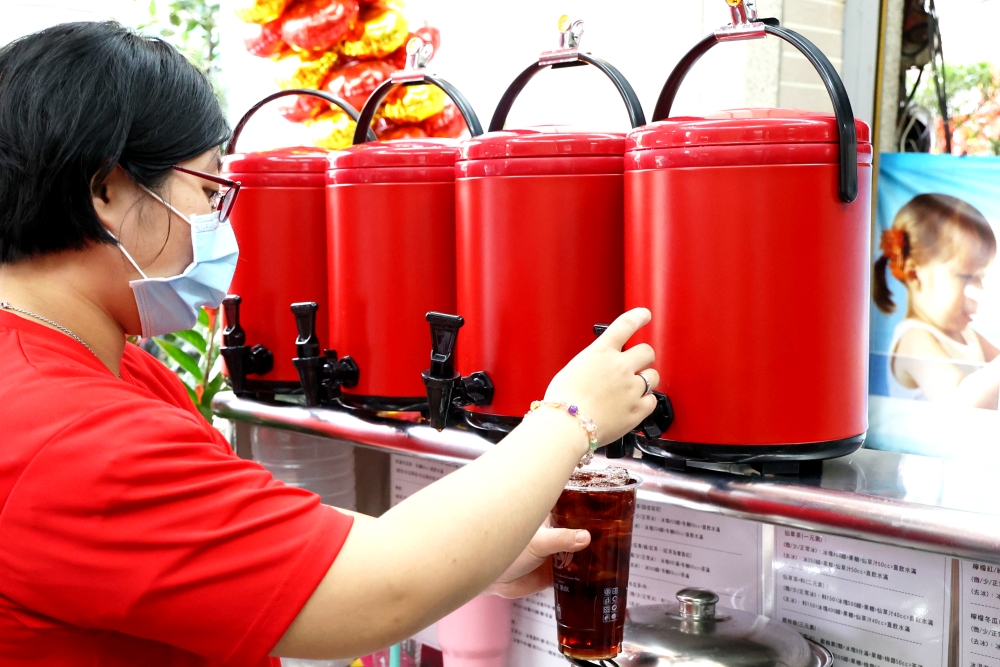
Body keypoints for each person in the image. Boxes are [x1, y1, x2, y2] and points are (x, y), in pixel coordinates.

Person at [0, 22, 660, 667]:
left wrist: (480, 549)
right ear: (107, 190)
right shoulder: (69, 433)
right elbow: (378, 587)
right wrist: (570, 417)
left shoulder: (98, 368)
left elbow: (247, 547)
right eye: (207, 191)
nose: (219, 227)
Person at [874, 193, 1000, 409]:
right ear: (914, 274)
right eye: (967, 276)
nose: (979, 289)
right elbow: (958, 404)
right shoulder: (914, 339)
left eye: (981, 277)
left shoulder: (966, 335)